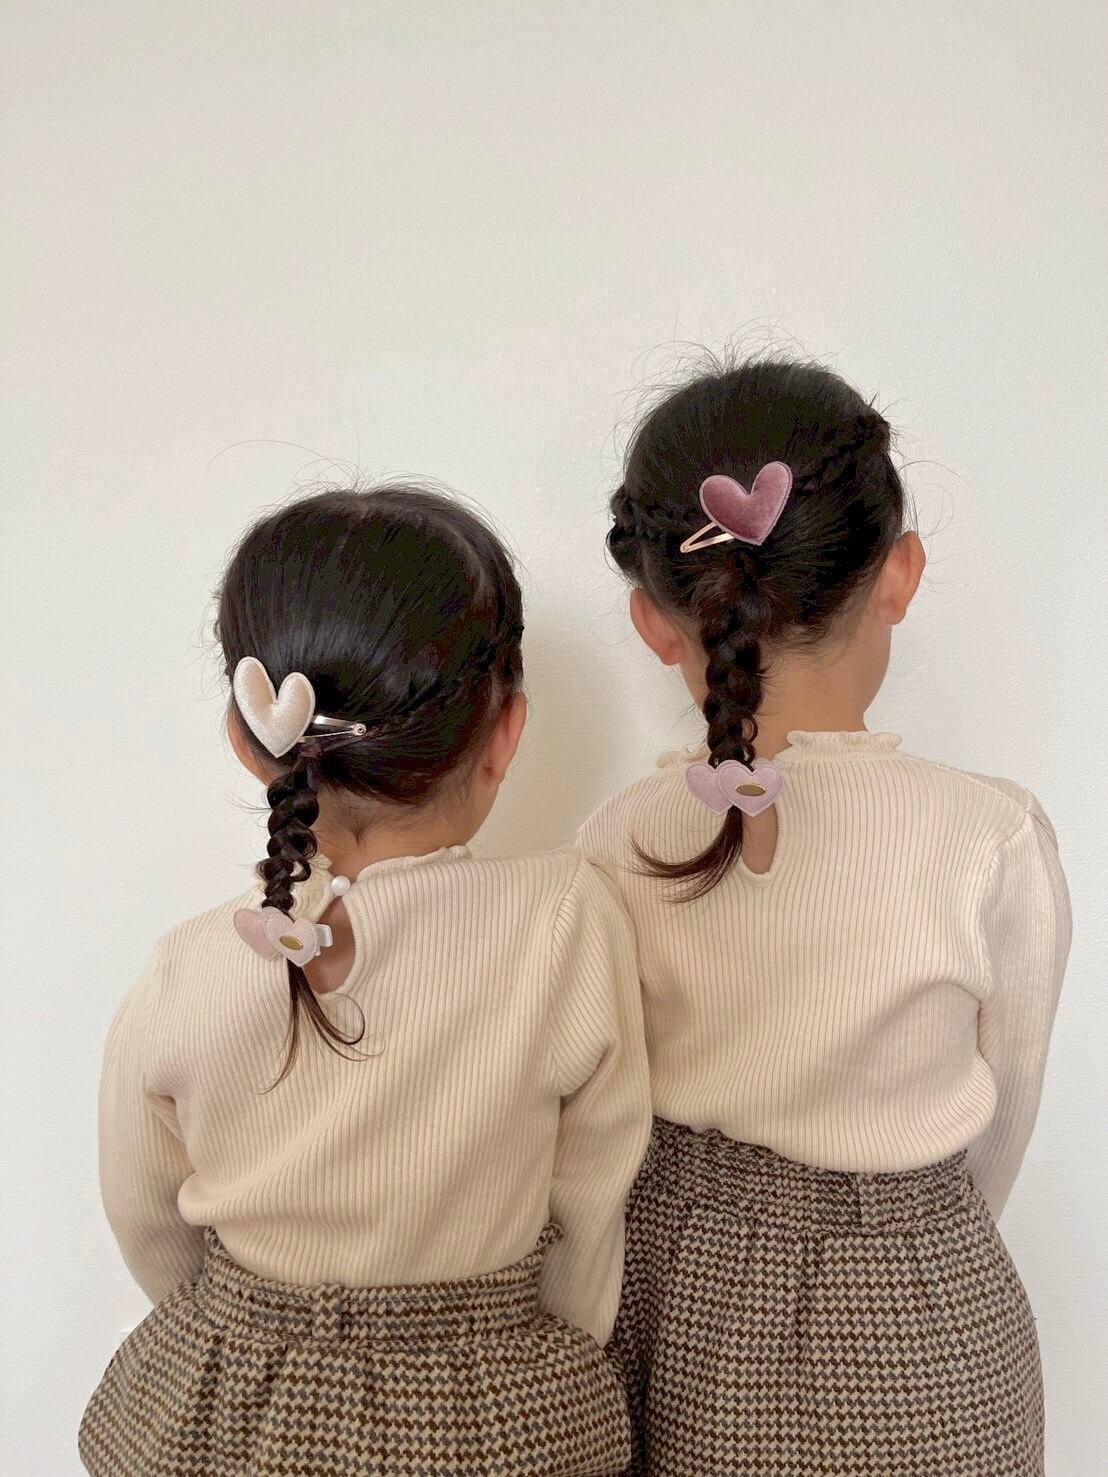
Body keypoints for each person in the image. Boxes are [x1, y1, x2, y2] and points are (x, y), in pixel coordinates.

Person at [81, 483, 650, 1477]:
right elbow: (593, 1205)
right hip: (494, 1411)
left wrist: (243, 1331)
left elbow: (147, 1219)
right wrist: (546, 1356)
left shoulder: (190, 966)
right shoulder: (567, 922)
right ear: (504, 732)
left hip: (236, 1404)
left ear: (248, 739)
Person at [580, 355, 1071, 1476]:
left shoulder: (621, 839)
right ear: (899, 573)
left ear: (655, 622)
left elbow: (596, 1118)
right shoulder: (989, 836)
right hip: (930, 1315)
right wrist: (912, 1231)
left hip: (681, 1302)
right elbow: (1004, 1114)